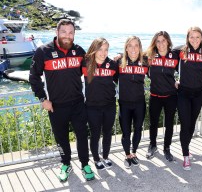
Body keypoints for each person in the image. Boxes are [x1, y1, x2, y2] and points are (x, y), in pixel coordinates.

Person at [29, 19, 95, 182]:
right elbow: (33, 76)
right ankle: (65, 164)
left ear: (74, 34)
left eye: (71, 32)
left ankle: (85, 164)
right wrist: (43, 98)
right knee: (61, 138)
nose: (67, 36)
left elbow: (90, 71)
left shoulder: (79, 51)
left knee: (82, 136)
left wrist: (115, 60)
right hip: (56, 106)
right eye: (64, 32)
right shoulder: (43, 51)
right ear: (57, 32)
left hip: (78, 104)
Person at [82, 38, 118, 170]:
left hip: (109, 105)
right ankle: (96, 159)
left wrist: (120, 55)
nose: (103, 53)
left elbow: (120, 79)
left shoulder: (112, 65)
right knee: (95, 134)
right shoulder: (86, 64)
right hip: (92, 107)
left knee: (107, 133)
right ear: (94, 49)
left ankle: (106, 157)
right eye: (100, 49)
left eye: (106, 49)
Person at [173, 26, 202, 170]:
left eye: (197, 37)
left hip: (198, 94)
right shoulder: (180, 51)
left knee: (192, 124)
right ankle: (185, 156)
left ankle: (186, 146)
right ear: (187, 38)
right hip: (183, 93)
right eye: (191, 36)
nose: (194, 39)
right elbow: (160, 55)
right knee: (185, 124)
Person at [145, 31, 179, 162]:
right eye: (158, 41)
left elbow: (187, 65)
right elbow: (131, 56)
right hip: (155, 95)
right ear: (155, 43)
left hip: (171, 96)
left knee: (169, 124)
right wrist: (119, 56)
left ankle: (167, 148)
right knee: (153, 123)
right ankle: (153, 145)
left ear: (168, 42)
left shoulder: (175, 55)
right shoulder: (149, 56)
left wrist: (179, 81)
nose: (161, 44)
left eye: (163, 40)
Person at [118, 36, 148, 169]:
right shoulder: (119, 62)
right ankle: (127, 154)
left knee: (137, 130)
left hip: (139, 103)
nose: (133, 48)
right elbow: (110, 78)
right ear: (126, 47)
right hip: (124, 103)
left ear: (140, 48)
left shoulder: (146, 61)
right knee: (126, 132)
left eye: (136, 45)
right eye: (130, 45)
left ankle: (134, 153)